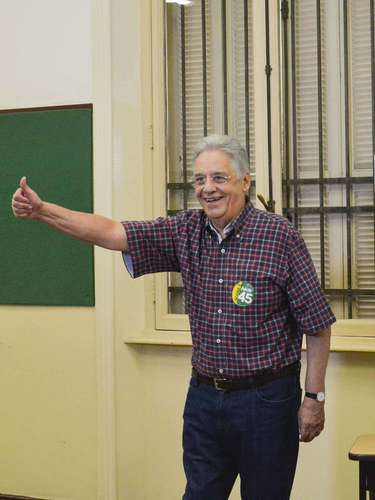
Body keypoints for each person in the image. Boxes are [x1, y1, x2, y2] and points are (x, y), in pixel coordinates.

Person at [12, 135, 335, 500]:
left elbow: (318, 326)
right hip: (205, 399)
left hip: (266, 401)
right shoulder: (185, 230)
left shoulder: (279, 236)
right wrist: (44, 212)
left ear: (245, 182)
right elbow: (111, 232)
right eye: (199, 180)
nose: (207, 189)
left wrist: (314, 397)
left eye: (219, 178)